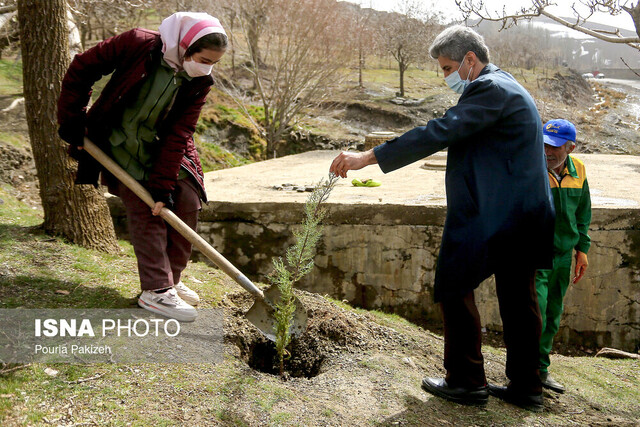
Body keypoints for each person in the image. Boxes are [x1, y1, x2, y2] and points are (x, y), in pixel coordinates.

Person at [330, 25, 555, 412]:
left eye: (448, 67)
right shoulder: (507, 85)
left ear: (470, 60)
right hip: (523, 214)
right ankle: (526, 386)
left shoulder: (490, 89)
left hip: (496, 217)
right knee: (519, 300)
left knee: (453, 284)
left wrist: (369, 157)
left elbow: (439, 132)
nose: (445, 75)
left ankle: (466, 381)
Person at [57, 12, 228, 322]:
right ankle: (156, 291)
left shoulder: (200, 81)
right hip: (116, 141)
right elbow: (83, 67)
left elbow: (179, 132)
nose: (206, 68)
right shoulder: (138, 44)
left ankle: (171, 282)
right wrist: (72, 118)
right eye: (203, 59)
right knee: (145, 206)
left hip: (163, 148)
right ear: (185, 45)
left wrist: (164, 186)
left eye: (212, 63)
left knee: (186, 202)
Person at [537, 119, 591, 393]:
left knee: (553, 314)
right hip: (535, 255)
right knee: (537, 314)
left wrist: (582, 249)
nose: (548, 150)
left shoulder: (579, 170)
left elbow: (583, 212)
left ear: (571, 147)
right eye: (544, 142)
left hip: (563, 256)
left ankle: (541, 370)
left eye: (555, 147)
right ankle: (525, 371)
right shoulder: (531, 167)